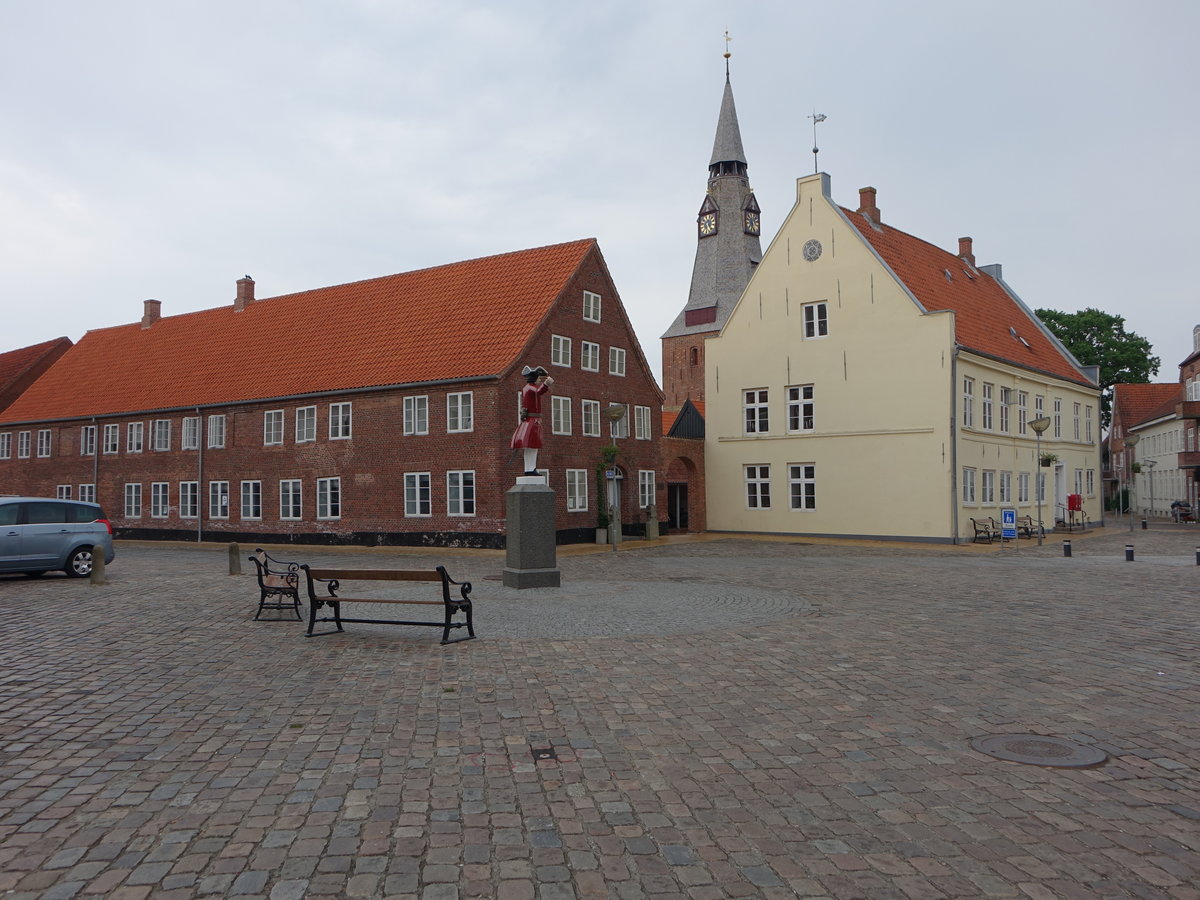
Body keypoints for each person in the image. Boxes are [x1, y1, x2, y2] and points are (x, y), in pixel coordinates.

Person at [510, 366, 554, 475]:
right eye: (539, 378)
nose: (540, 380)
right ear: (534, 378)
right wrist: (546, 384)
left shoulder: (527, 388)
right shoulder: (530, 388)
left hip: (531, 420)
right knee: (532, 446)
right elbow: (539, 392)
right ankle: (530, 468)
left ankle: (530, 468)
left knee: (531, 446)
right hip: (533, 420)